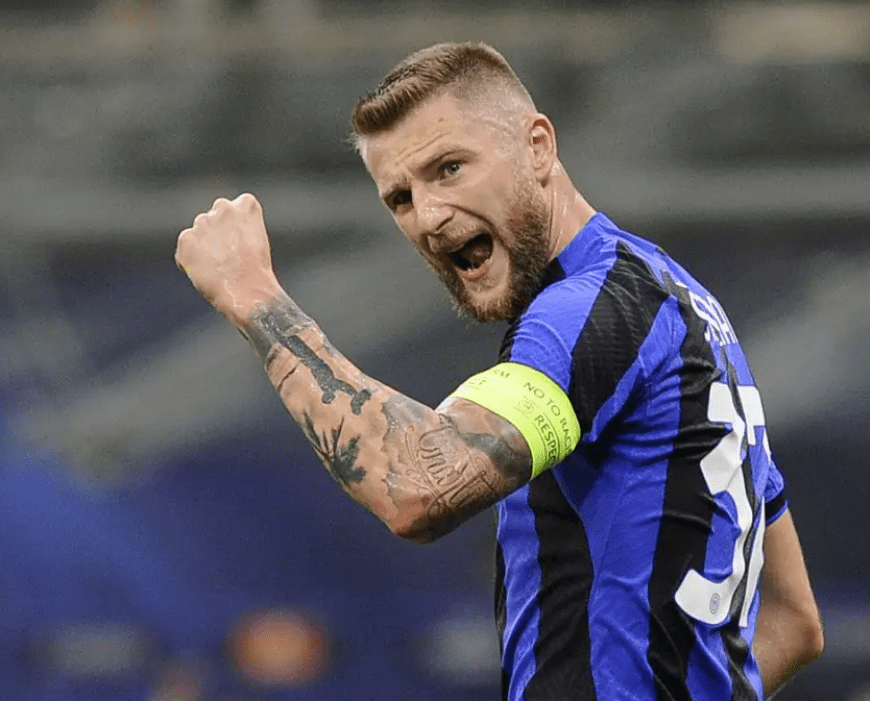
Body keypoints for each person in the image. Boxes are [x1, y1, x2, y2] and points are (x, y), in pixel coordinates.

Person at [174, 42, 823, 700]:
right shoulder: (680, 305)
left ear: (538, 146)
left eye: (450, 168)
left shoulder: (585, 312)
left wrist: (254, 296)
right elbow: (793, 622)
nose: (429, 216)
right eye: (400, 197)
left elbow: (416, 487)